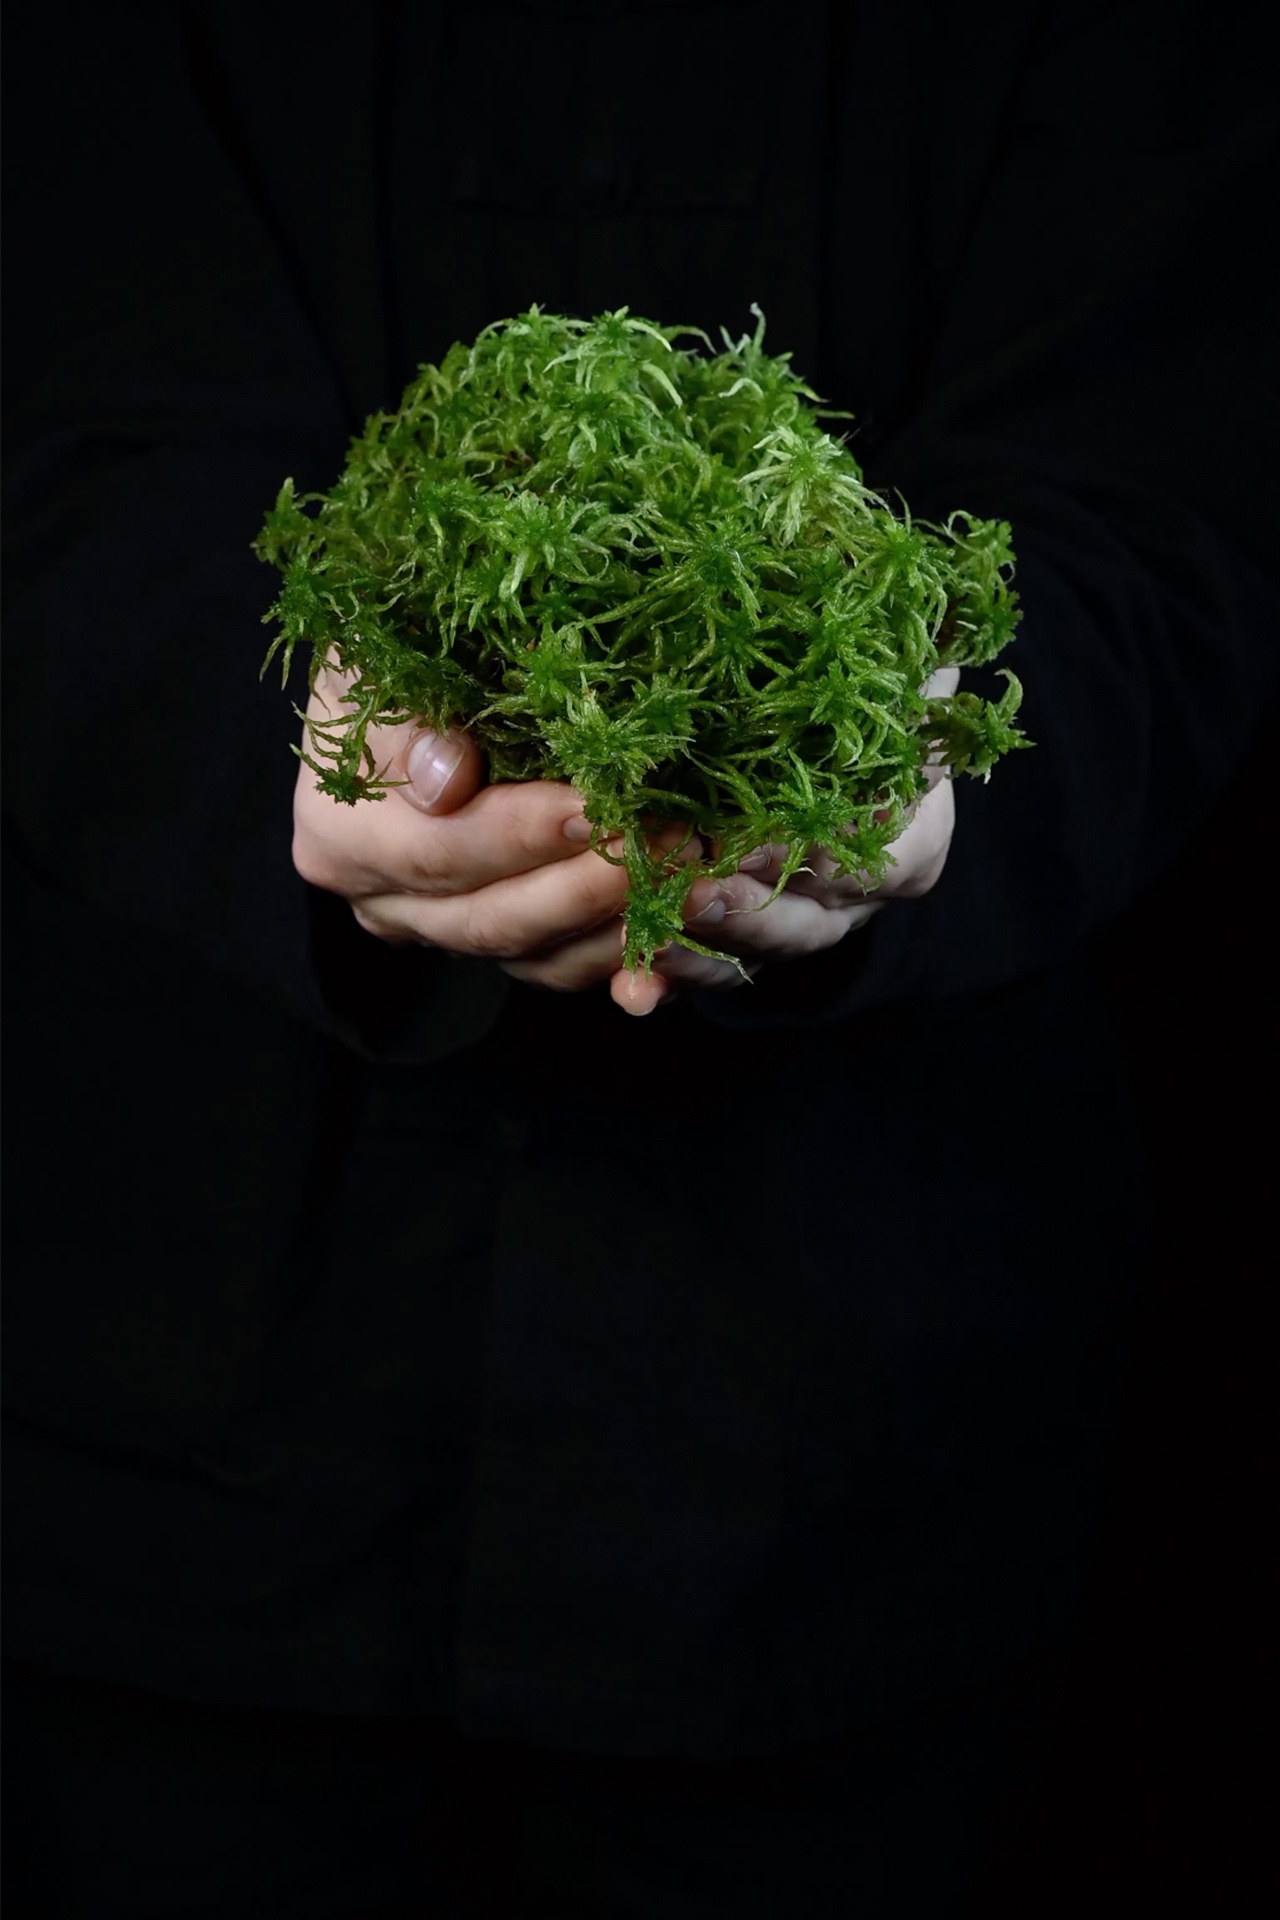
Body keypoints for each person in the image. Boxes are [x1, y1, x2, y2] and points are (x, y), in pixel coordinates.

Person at [4, 3, 1275, 1914]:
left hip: (858, 1478)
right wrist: (278, 732)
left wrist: (926, 761)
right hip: (170, 1448)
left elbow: (1169, 473)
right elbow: (51, 408)